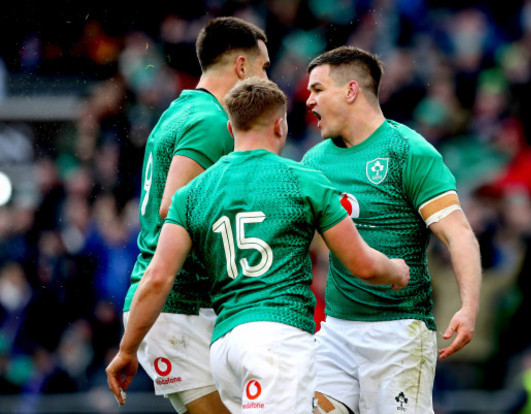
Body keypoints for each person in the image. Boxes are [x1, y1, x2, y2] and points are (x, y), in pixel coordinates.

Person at [106, 77, 410, 413]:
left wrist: (127, 349)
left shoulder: (189, 195)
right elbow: (362, 265)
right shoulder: (305, 180)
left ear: (229, 128)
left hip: (224, 347)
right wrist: (396, 270)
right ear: (280, 126)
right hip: (277, 337)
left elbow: (157, 278)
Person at [301, 46, 482, 414]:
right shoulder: (313, 162)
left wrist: (469, 307)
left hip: (398, 335)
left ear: (351, 90)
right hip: (335, 331)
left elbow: (458, 234)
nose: (308, 100)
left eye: (318, 89)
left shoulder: (408, 151)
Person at [106, 17, 270, 414]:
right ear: (242, 66)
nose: (268, 80)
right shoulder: (212, 121)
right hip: (178, 305)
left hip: (183, 303)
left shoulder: (179, 110)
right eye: (264, 68)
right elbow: (173, 206)